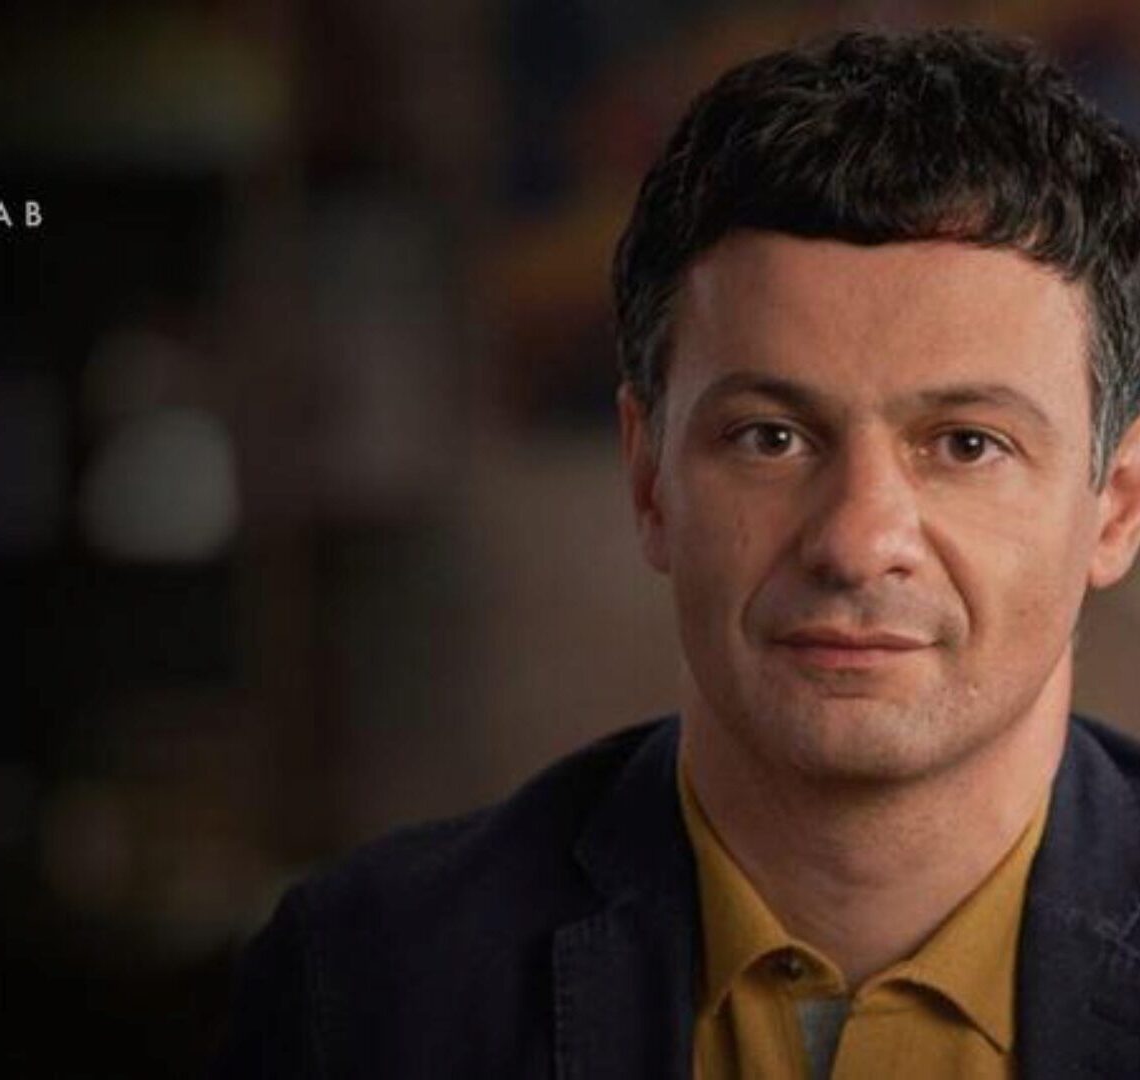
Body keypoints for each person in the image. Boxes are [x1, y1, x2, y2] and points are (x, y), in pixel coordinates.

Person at [213, 27, 1140, 1078]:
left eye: (967, 445)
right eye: (771, 438)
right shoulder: (366, 986)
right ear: (649, 477)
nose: (857, 542)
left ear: (1116, 507)